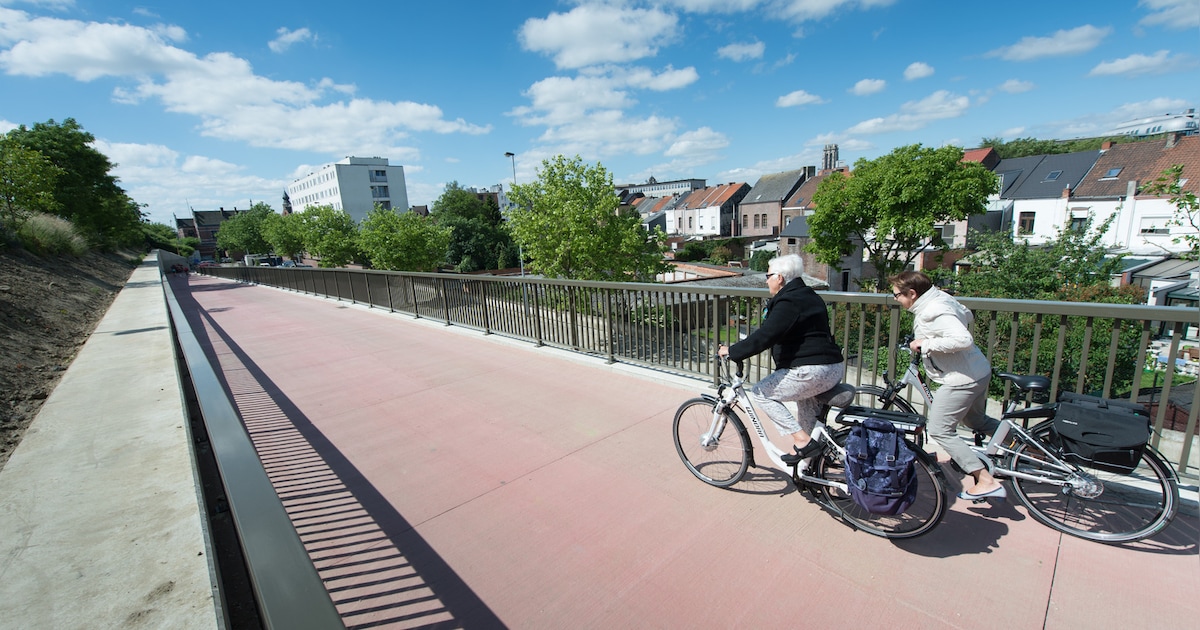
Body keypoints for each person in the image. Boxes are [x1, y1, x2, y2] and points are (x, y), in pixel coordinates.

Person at [718, 254, 844, 465]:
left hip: (812, 371)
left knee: (761, 392)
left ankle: (801, 441)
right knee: (806, 411)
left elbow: (766, 335)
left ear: (780, 278)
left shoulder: (789, 301)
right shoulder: (809, 295)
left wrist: (733, 351)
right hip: (832, 367)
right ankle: (809, 467)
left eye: (768, 275)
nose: (766, 280)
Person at [889, 271, 1005, 500]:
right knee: (976, 421)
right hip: (978, 371)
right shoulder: (940, 298)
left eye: (897, 296)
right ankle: (1023, 447)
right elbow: (967, 315)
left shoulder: (932, 310)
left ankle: (984, 479)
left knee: (940, 430)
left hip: (962, 378)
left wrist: (926, 343)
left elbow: (963, 339)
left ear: (912, 294)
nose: (896, 300)